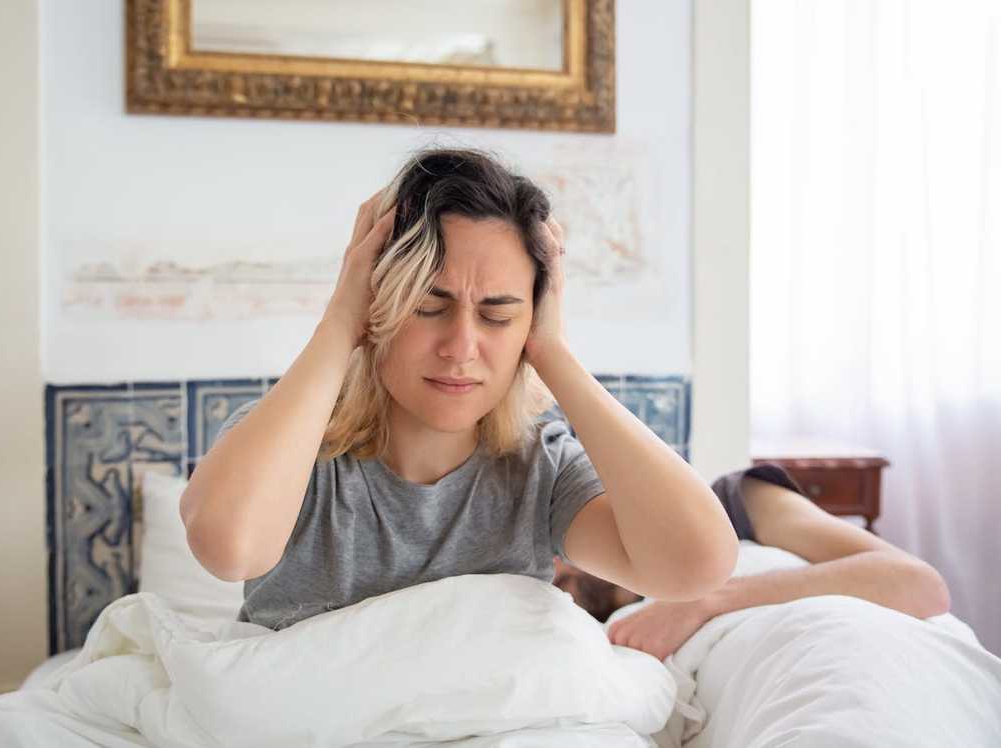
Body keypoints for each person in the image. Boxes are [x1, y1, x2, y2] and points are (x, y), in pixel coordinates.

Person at [178, 147, 739, 631]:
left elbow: (696, 565)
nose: (461, 347)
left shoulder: (541, 468)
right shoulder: (292, 448)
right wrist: (339, 324)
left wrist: (555, 354)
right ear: (378, 303)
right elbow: (230, 550)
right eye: (428, 307)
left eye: (498, 315)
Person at [557, 463, 952, 660]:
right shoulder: (554, 613)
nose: (560, 565)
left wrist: (705, 601)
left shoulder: (737, 505)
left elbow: (920, 585)